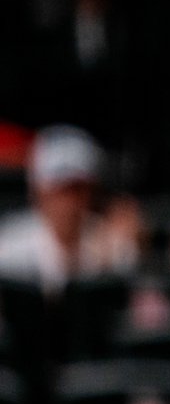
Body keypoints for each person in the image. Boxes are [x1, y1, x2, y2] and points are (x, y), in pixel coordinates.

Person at [0, 123, 140, 297]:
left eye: (77, 188)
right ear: (38, 191)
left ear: (92, 191)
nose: (68, 200)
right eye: (58, 188)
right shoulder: (8, 246)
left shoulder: (113, 244)